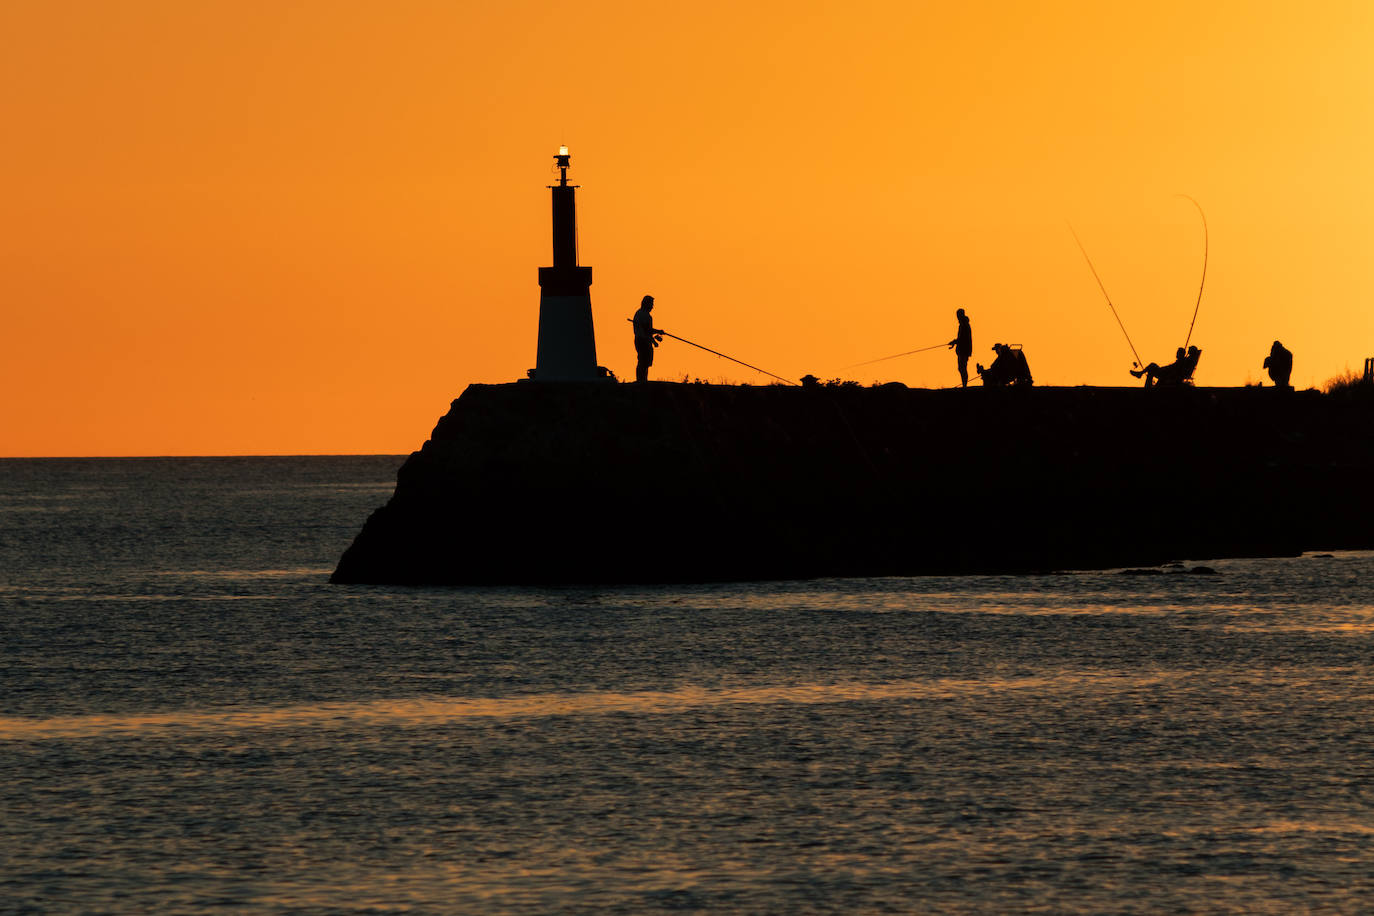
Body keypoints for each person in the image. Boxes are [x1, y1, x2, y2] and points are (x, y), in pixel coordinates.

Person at [1130, 346, 1200, 388]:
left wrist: (1162, 369)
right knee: (1152, 367)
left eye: (1178, 353)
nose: (1176, 354)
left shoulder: (1182, 361)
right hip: (1166, 373)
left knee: (1152, 366)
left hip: (1166, 375)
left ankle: (1141, 376)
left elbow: (1171, 368)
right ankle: (1140, 375)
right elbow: (1171, 367)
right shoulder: (1185, 360)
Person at [632, 295, 664, 382]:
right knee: (643, 362)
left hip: (640, 340)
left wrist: (656, 335)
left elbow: (647, 331)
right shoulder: (646, 316)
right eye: (651, 304)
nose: (652, 307)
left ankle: (642, 380)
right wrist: (657, 334)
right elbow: (648, 331)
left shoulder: (638, 313)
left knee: (644, 362)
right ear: (646, 304)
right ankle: (642, 381)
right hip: (643, 341)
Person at [948, 308, 973, 387]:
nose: (957, 317)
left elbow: (963, 339)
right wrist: (954, 342)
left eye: (958, 315)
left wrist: (954, 342)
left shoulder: (964, 325)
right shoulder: (963, 325)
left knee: (962, 367)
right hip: (962, 350)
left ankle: (964, 385)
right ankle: (964, 385)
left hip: (964, 350)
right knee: (961, 368)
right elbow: (961, 338)